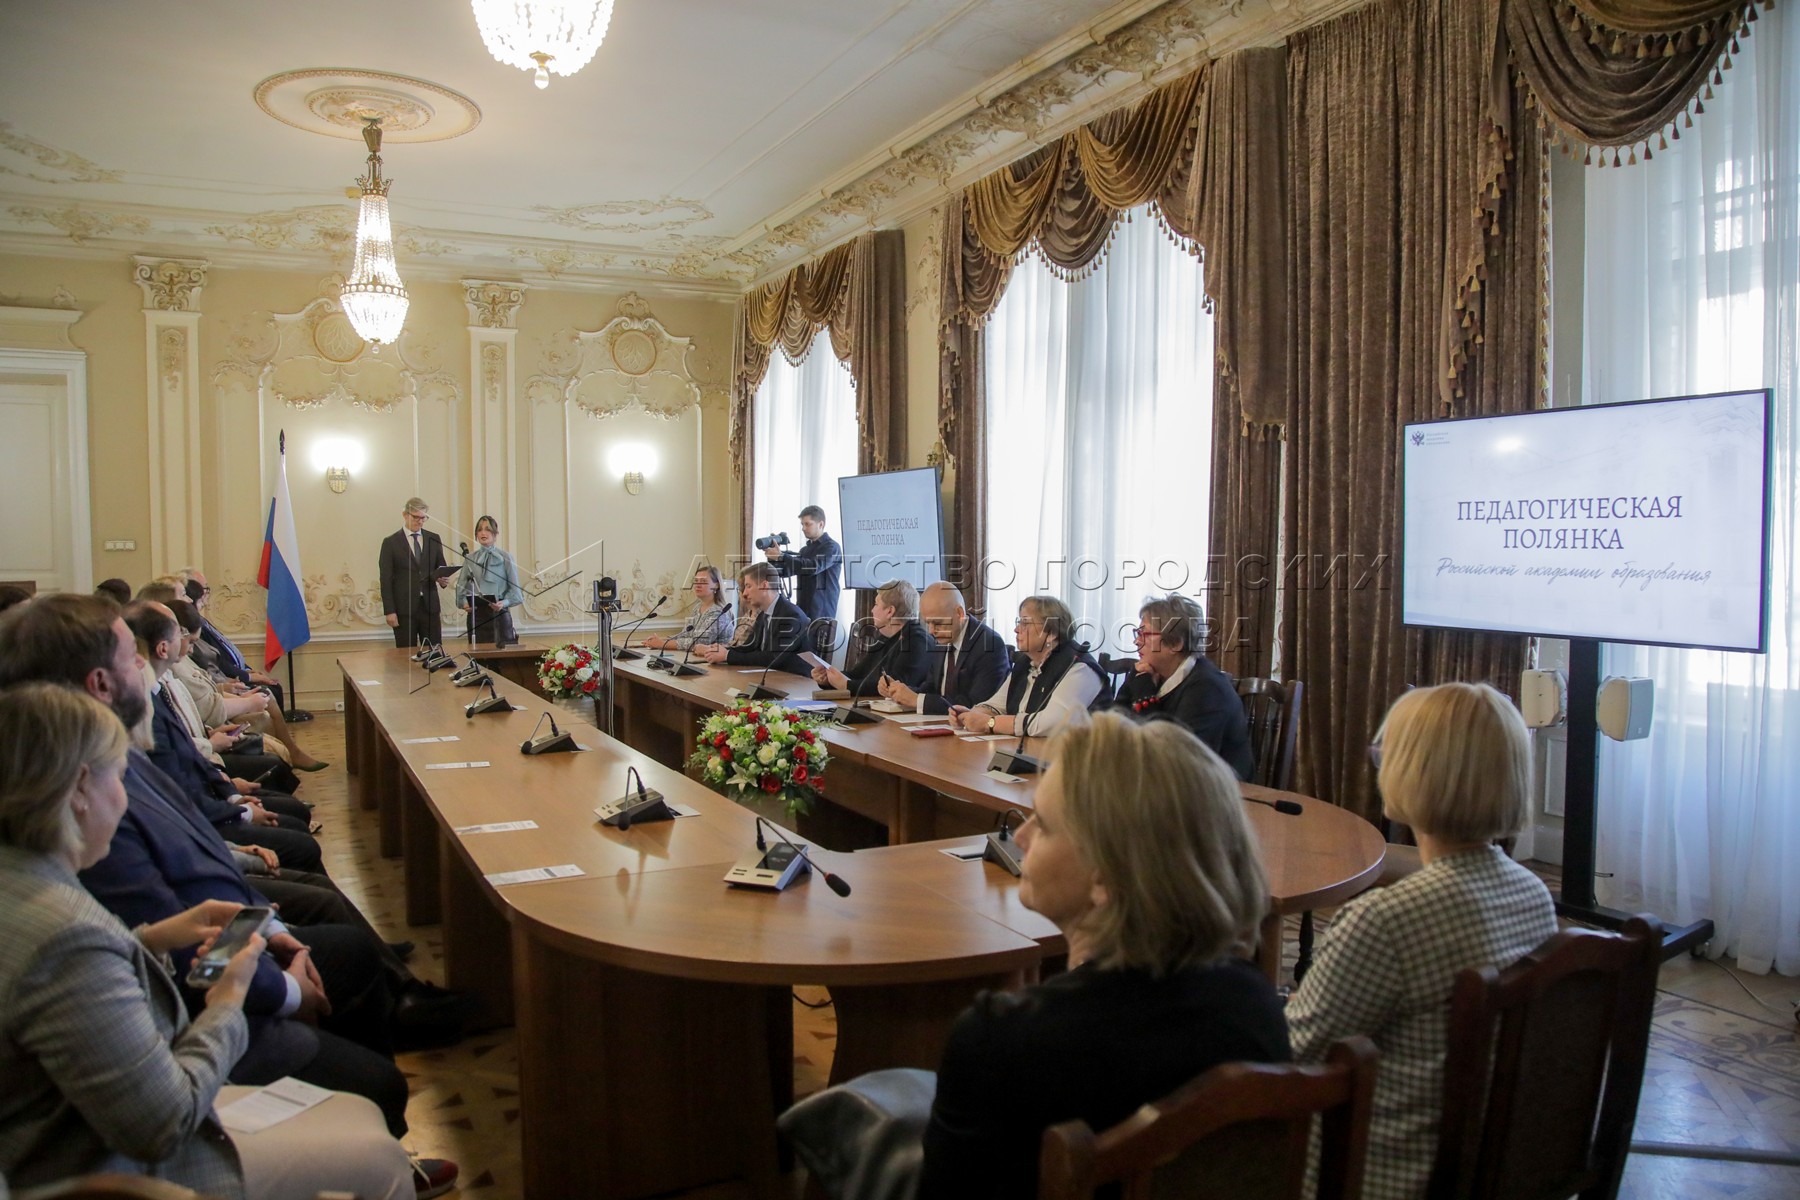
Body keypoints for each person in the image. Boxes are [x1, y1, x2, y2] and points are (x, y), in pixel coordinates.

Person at [0, 594, 464, 1140]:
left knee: (348, 950)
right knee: (377, 1081)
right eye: (132, 657)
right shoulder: (89, 790)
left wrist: (268, 925)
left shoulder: (110, 754)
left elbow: (180, 886)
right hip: (204, 1016)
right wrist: (284, 990)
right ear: (100, 682)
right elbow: (181, 968)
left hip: (232, 942)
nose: (144, 665)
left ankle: (392, 1023)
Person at [0, 683, 424, 1200]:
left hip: (91, 1128)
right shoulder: (65, 938)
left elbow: (84, 981)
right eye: (118, 775)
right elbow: (164, 1123)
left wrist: (153, 938)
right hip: (120, 1171)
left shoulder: (24, 884)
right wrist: (228, 1002)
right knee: (376, 1151)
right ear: (81, 789)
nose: (125, 796)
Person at [913, 713, 1290, 1197]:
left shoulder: (1002, 1041)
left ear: (1106, 876)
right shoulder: (1256, 1005)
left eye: (1044, 824)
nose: (1021, 836)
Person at [1284, 682, 1556, 1200]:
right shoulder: (1533, 893)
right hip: (1486, 1163)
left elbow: (1291, 1054)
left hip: (1380, 1173)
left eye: (1384, 752)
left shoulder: (1386, 920)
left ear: (1413, 771)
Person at [1115, 594, 1255, 780]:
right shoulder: (1147, 672)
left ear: (1176, 643)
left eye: (1144, 634)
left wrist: (1145, 695)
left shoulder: (1207, 688)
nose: (1136, 641)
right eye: (1137, 633)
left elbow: (1174, 759)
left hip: (1216, 790)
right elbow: (1112, 724)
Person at [951, 595, 1104, 739]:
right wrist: (971, 716)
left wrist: (989, 723)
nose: (1017, 629)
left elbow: (1051, 724)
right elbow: (997, 705)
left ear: (1051, 633)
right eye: (1018, 622)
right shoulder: (1025, 663)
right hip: (1030, 750)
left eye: (1025, 623)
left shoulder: (1079, 668)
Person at [878, 582, 1011, 714]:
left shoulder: (990, 644)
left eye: (937, 623)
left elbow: (976, 704)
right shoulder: (943, 640)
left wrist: (917, 700)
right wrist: (899, 691)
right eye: (928, 623)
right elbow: (930, 690)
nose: (931, 631)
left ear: (959, 613)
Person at [181, 570, 291, 715]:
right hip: (221, 684)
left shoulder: (202, 621)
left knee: (273, 688)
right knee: (267, 693)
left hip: (228, 680)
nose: (206, 594)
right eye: (203, 589)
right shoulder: (191, 628)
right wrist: (245, 677)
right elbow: (215, 662)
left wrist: (246, 670)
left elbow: (225, 652)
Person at [810, 579, 933, 698]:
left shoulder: (918, 641)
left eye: (876, 604)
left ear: (890, 611)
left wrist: (847, 685)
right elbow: (858, 674)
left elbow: (895, 686)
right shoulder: (884, 637)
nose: (872, 610)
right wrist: (828, 679)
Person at [697, 562, 810, 675]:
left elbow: (774, 657)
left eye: (748, 586)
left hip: (793, 679)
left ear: (764, 585)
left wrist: (727, 655)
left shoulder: (790, 615)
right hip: (771, 676)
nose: (745, 593)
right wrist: (720, 651)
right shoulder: (764, 614)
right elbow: (748, 647)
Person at [764, 505, 841, 654]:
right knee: (801, 655)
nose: (804, 528)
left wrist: (781, 556)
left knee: (815, 658)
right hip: (803, 611)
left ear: (821, 524)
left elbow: (813, 567)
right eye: (802, 524)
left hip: (821, 613)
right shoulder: (805, 550)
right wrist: (773, 558)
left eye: (807, 524)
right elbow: (786, 572)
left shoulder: (832, 547)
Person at [377, 498, 449, 650]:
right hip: (404, 608)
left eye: (423, 518)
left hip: (429, 607)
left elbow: (441, 566)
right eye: (416, 517)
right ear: (405, 515)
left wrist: (443, 579)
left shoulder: (433, 538)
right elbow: (386, 579)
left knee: (434, 653)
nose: (420, 521)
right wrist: (390, 611)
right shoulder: (391, 542)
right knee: (405, 655)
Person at [455, 515, 523, 647]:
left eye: (487, 529)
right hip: (476, 616)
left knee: (502, 657)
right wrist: (464, 604)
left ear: (495, 534)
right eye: (479, 530)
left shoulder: (506, 557)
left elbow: (517, 593)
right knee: (478, 656)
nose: (483, 533)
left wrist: (503, 603)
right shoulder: (470, 558)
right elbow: (461, 587)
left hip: (499, 615)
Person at [644, 565, 736, 653]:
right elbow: (685, 634)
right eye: (696, 581)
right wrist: (661, 640)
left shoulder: (719, 612)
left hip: (716, 662)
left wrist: (662, 644)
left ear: (716, 585)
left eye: (703, 581)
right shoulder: (697, 608)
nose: (698, 585)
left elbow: (699, 642)